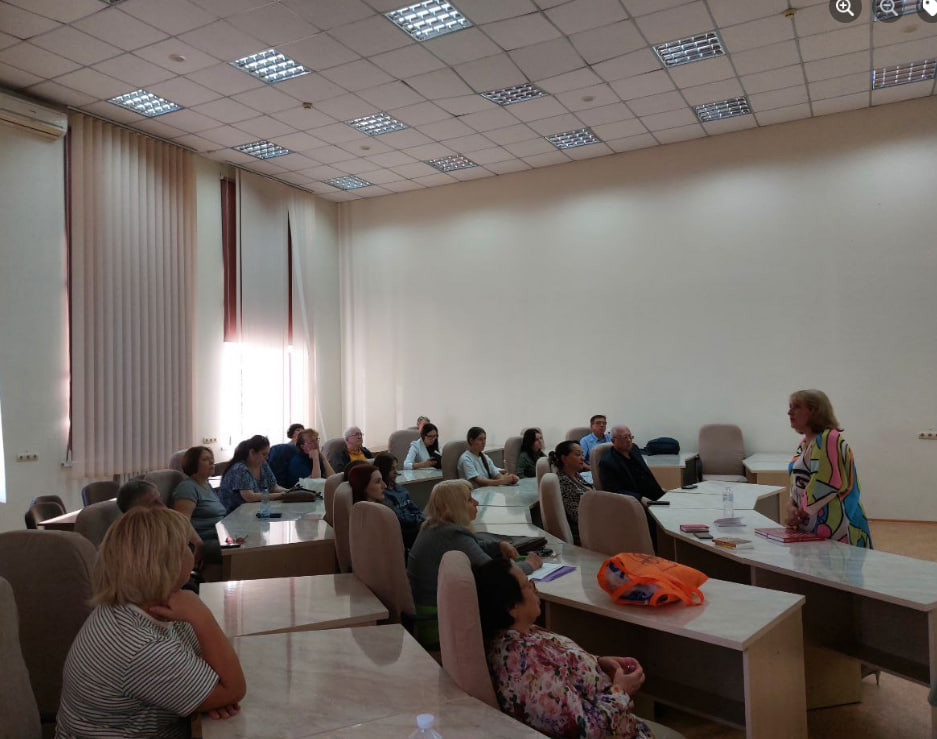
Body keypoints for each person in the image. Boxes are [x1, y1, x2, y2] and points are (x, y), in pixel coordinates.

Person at [55, 506, 246, 738]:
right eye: (187, 546)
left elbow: (210, 667)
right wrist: (202, 617)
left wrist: (212, 693)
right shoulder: (140, 646)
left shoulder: (141, 604)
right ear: (167, 564)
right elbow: (234, 688)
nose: (193, 552)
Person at [474, 558, 653, 739]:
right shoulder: (525, 665)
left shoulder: (523, 634)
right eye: (528, 585)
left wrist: (599, 662)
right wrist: (621, 692)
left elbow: (563, 664)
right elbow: (584, 731)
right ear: (512, 607)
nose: (535, 588)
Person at [407, 480, 540, 611]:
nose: (477, 503)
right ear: (456, 507)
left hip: (427, 606)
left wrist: (499, 546)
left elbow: (472, 547)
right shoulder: (452, 535)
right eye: (470, 500)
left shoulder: (435, 527)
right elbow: (496, 574)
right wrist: (529, 565)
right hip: (438, 614)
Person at [785, 389, 872, 548]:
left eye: (796, 407)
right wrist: (791, 505)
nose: (789, 412)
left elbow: (826, 483)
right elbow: (798, 482)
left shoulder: (829, 439)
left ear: (814, 411)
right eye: (790, 407)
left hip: (836, 526)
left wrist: (799, 513)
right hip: (813, 523)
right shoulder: (805, 442)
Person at [118, 480, 205, 571]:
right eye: (154, 503)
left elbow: (196, 541)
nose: (163, 505)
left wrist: (198, 544)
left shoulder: (168, 519)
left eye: (160, 499)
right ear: (134, 512)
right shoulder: (135, 539)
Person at [171, 446, 227, 565]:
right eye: (205, 459)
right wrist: (198, 543)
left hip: (219, 536)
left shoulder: (207, 485)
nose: (212, 462)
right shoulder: (187, 488)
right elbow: (182, 521)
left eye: (212, 458)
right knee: (242, 551)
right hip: (203, 541)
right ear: (193, 464)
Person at [218, 435, 291, 513]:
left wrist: (290, 492)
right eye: (264, 454)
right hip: (235, 514)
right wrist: (282, 495)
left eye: (267, 454)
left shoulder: (263, 464)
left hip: (254, 510)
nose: (267, 458)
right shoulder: (240, 468)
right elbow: (249, 497)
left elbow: (273, 487)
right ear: (252, 452)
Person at [599, 426, 664, 504]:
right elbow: (614, 491)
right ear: (613, 441)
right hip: (634, 502)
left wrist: (660, 491)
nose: (629, 440)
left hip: (653, 496)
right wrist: (640, 498)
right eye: (624, 438)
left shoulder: (634, 449)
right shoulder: (607, 462)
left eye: (630, 436)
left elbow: (647, 475)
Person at [374, 452, 425, 552]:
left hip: (415, 524)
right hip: (405, 532)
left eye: (396, 468)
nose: (396, 472)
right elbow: (399, 518)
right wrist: (418, 521)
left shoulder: (399, 488)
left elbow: (413, 507)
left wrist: (421, 518)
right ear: (383, 470)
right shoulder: (382, 494)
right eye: (391, 469)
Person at [549, 440, 593, 546]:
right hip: (585, 533)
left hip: (593, 524)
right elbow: (577, 516)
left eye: (582, 454)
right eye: (578, 454)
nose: (583, 458)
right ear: (564, 459)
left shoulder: (576, 475)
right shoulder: (563, 482)